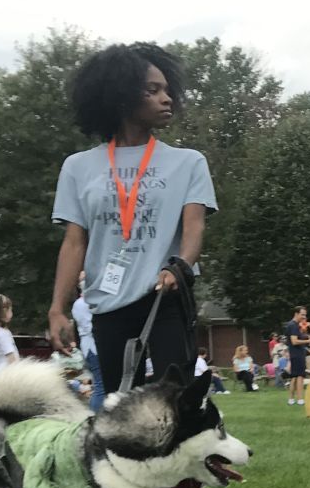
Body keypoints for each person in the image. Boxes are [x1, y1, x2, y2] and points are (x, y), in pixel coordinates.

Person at [46, 42, 216, 396]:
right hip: (108, 299)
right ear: (121, 97)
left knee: (175, 396)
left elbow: (194, 225)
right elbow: (75, 242)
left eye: (168, 90)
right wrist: (58, 309)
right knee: (120, 400)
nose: (166, 98)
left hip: (164, 294)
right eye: (152, 91)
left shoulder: (188, 162)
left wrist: (180, 267)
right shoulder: (78, 167)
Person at [70, 275, 104, 413]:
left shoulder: (88, 301)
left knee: (101, 385)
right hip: (93, 346)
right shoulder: (80, 304)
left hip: (93, 345)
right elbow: (90, 326)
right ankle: (95, 416)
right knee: (100, 386)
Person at [284, 307, 310, 405]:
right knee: (300, 377)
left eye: (305, 315)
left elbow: (298, 343)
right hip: (297, 355)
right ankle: (300, 399)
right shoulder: (293, 325)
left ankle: (291, 399)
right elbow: (294, 341)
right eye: (302, 314)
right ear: (296, 314)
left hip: (296, 354)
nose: (304, 317)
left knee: (295, 377)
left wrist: (309, 351)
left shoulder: (294, 325)